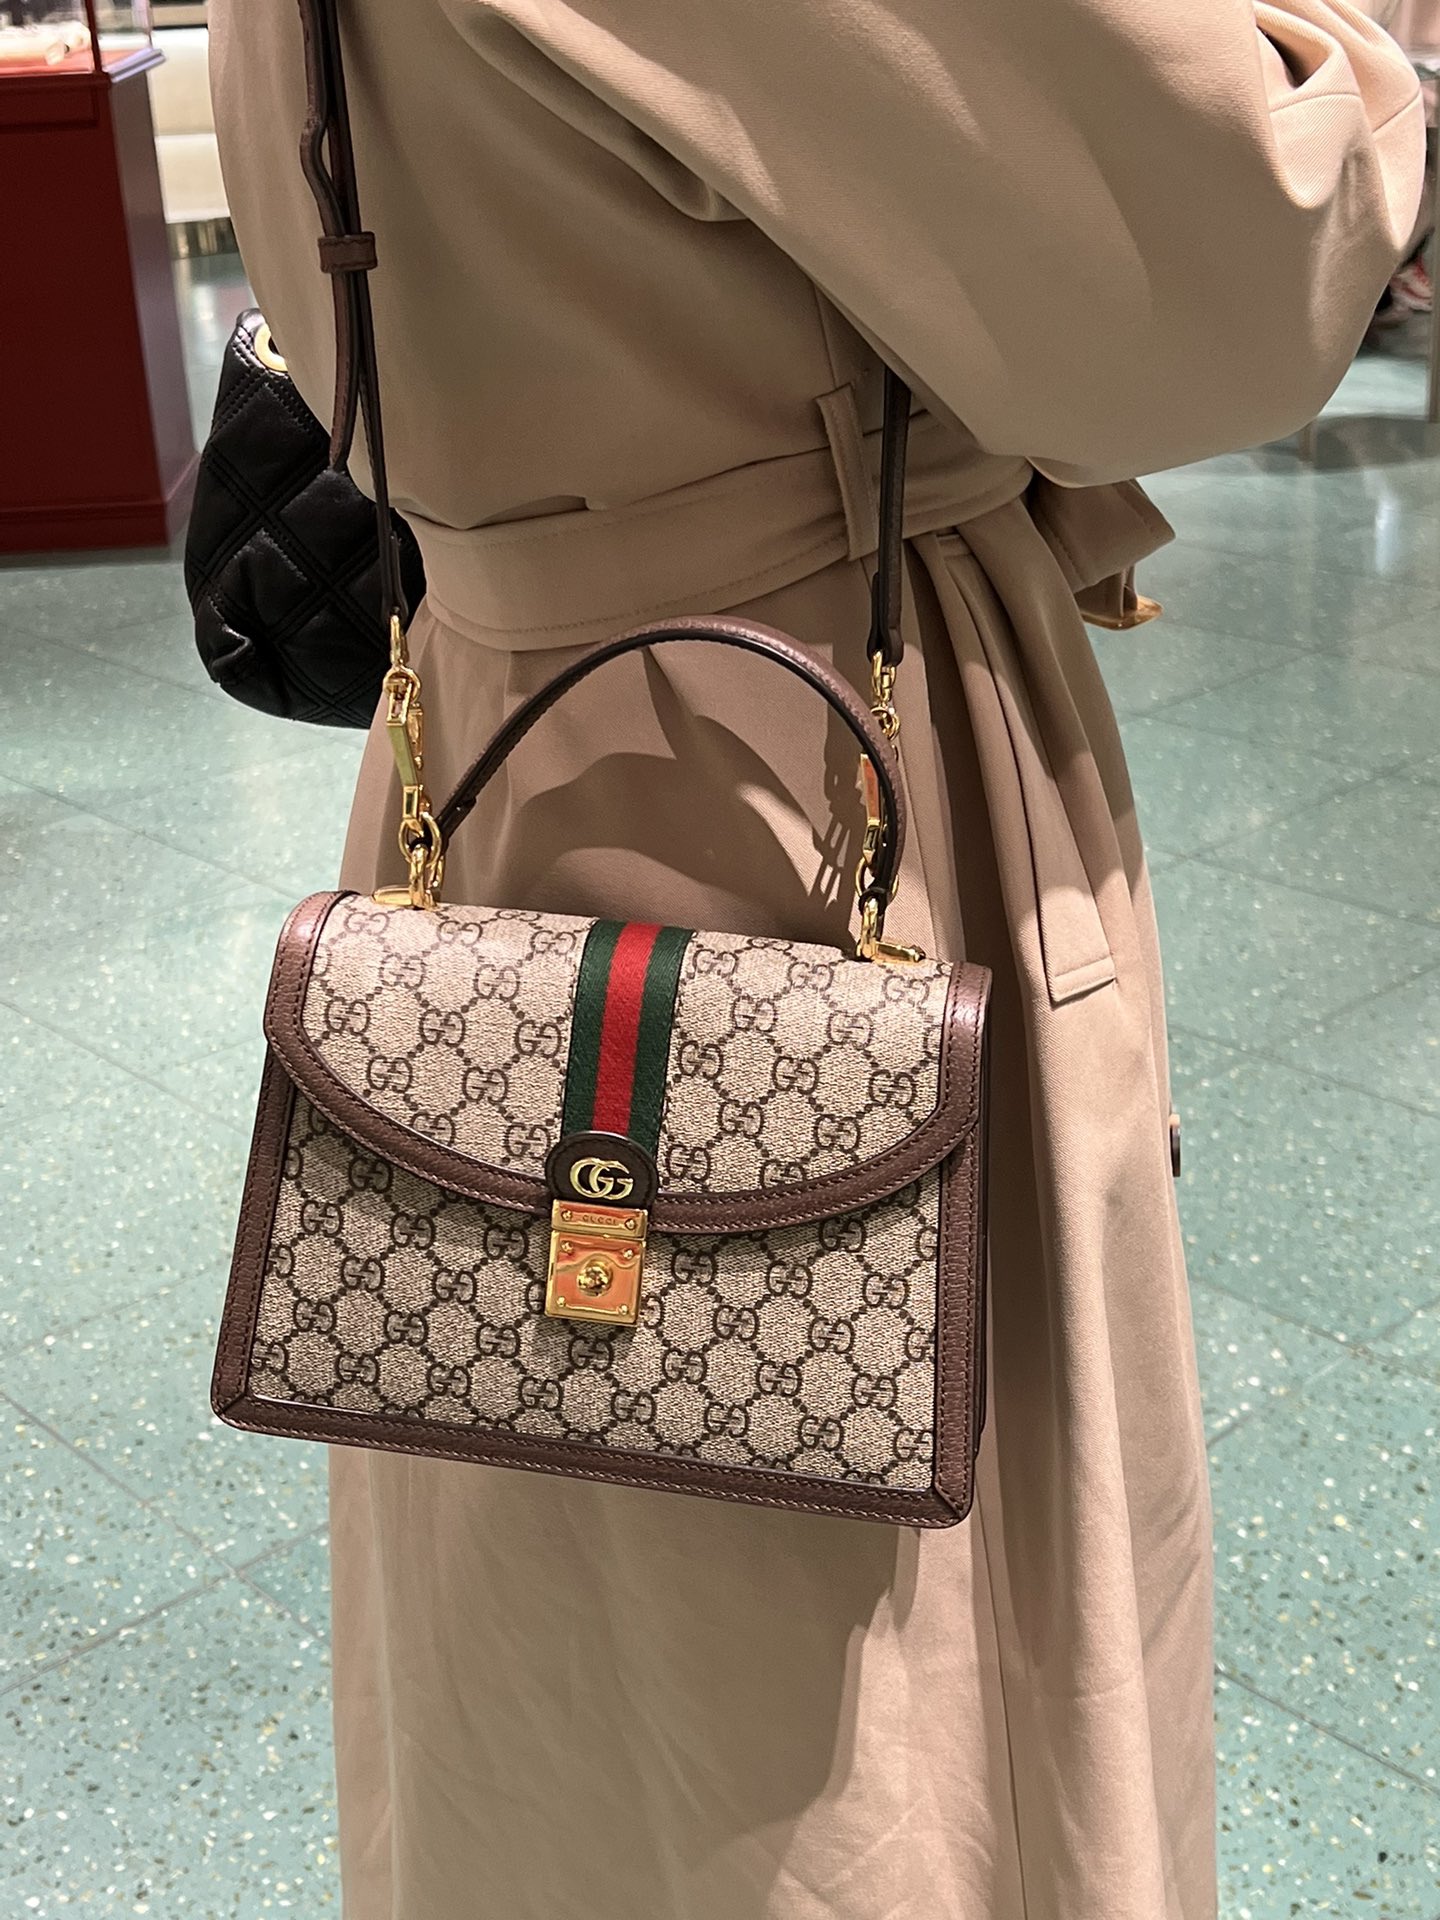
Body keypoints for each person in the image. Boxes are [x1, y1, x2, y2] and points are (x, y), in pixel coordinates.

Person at [209, 5, 1423, 1916]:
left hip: (498, 714)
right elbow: (1236, 255)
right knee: (875, 1675)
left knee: (557, 1576)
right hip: (821, 766)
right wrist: (1350, 66)